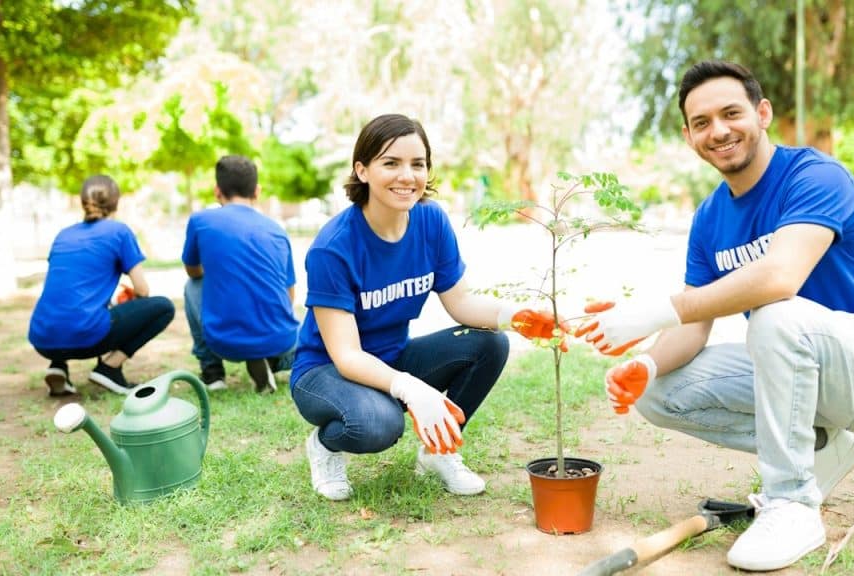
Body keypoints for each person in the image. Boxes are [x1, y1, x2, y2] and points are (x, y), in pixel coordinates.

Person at [576, 60, 854, 571]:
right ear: (689, 136)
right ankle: (823, 448)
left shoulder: (815, 175)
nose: (718, 131)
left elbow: (779, 277)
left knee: (774, 315)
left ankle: (792, 504)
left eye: (730, 113)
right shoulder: (710, 217)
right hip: (798, 366)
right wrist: (647, 365)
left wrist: (651, 313)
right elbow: (694, 327)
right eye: (702, 123)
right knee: (658, 390)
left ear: (762, 113)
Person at [291, 113, 563, 501]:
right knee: (380, 425)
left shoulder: (431, 222)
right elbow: (347, 354)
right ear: (362, 170)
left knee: (489, 344)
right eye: (391, 163)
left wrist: (518, 317)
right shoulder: (333, 247)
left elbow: (462, 303)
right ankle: (326, 446)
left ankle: (439, 452)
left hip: (391, 357)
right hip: (326, 371)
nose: (407, 176)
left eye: (417, 164)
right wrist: (409, 388)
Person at [29, 175, 175, 396]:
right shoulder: (119, 232)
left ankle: (58, 366)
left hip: (42, 337)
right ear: (116, 202)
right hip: (87, 337)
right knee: (163, 307)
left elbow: (66, 284)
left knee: (68, 306)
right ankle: (109, 368)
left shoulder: (64, 234)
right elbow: (143, 290)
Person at [182, 155, 299, 393]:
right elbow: (290, 296)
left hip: (224, 343)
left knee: (192, 285)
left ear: (217, 191)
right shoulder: (277, 230)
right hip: (282, 339)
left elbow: (193, 270)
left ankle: (212, 371)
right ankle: (272, 359)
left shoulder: (201, 221)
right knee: (300, 334)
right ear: (257, 191)